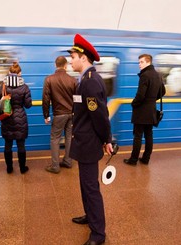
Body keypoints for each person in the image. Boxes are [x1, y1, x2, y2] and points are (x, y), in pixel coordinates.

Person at [68, 33, 113, 245]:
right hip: (84, 141)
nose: (70, 60)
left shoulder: (90, 82)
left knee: (91, 188)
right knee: (85, 185)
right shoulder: (84, 80)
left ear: (83, 57)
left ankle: (98, 234)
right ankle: (90, 216)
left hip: (89, 143)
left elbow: (100, 116)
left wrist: (107, 140)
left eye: (73, 56)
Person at [123, 54, 165, 165]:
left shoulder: (145, 75)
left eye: (141, 62)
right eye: (139, 62)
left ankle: (133, 160)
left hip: (141, 111)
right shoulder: (158, 75)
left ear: (148, 62)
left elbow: (140, 95)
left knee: (138, 136)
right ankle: (146, 159)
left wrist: (134, 103)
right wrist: (152, 100)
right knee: (149, 135)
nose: (139, 64)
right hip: (151, 110)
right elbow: (163, 91)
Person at [42, 56, 77, 174]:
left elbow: (45, 99)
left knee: (55, 139)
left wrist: (46, 115)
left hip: (58, 114)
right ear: (66, 66)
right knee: (69, 137)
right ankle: (68, 161)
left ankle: (55, 166)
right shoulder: (73, 80)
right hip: (71, 114)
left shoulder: (49, 79)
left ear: (55, 65)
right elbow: (78, 99)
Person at [0, 62, 32, 174]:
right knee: (21, 145)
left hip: (6, 117)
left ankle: (9, 168)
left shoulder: (3, 86)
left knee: (8, 144)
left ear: (9, 73)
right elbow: (28, 105)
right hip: (20, 118)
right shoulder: (24, 87)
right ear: (19, 73)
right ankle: (22, 168)